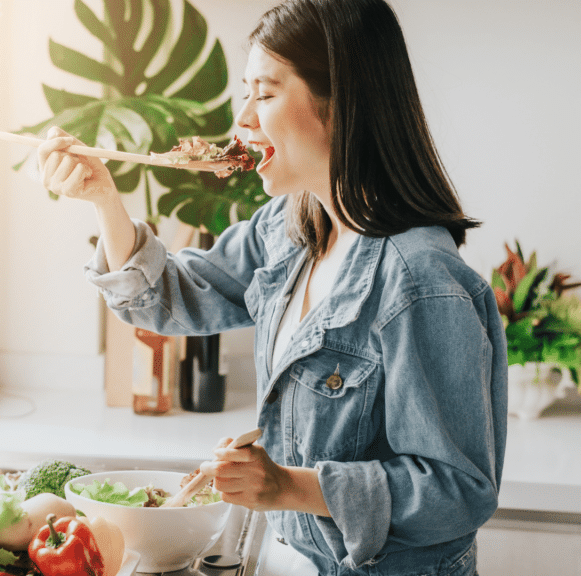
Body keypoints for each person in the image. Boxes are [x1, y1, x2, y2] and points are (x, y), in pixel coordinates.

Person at [35, 0, 507, 574]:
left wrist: (286, 485)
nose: (243, 121)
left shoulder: (421, 282)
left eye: (264, 93)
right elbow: (172, 300)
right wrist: (103, 200)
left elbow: (457, 493)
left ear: (341, 105)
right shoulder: (292, 230)